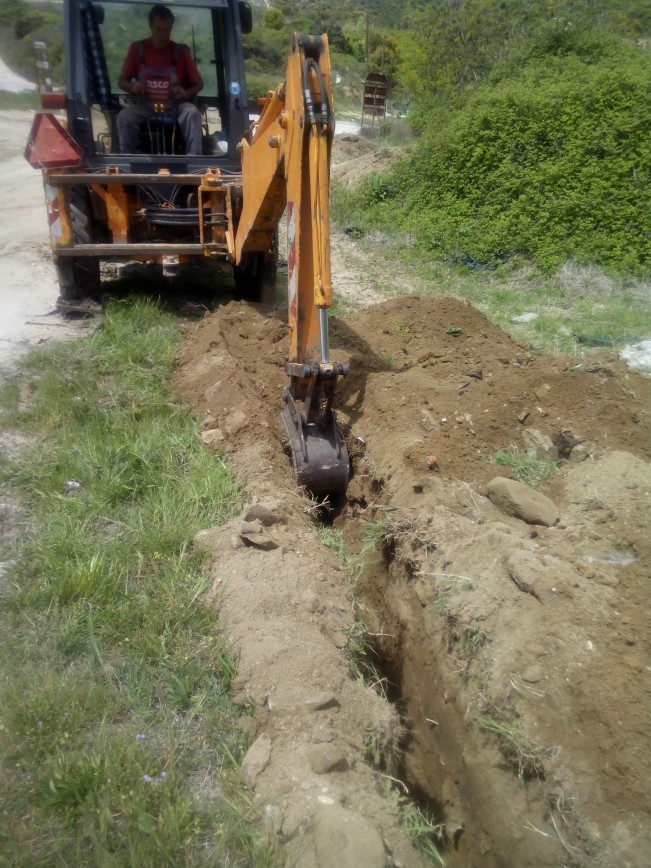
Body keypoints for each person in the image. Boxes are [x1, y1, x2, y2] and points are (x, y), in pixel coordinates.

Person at [116, 4, 204, 154]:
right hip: (145, 106)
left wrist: (185, 93)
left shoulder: (181, 52)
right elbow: (121, 81)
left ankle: (195, 162)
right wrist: (132, 87)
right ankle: (128, 161)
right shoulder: (137, 49)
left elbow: (199, 84)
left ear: (171, 28)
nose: (162, 35)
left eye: (166, 30)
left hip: (175, 107)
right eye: (158, 29)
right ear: (150, 26)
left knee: (192, 113)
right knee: (124, 118)